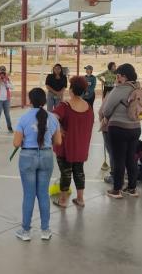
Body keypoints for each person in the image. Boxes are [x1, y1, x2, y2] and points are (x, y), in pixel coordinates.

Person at [13, 88, 61, 241]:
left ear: (30, 101)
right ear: (44, 101)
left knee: (29, 194)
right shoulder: (53, 118)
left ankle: (25, 231)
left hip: (27, 156)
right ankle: (45, 230)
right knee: (43, 194)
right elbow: (58, 141)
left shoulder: (24, 118)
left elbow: (16, 142)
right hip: (46, 155)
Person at [52, 76, 94, 207]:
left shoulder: (65, 105)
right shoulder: (88, 106)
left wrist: (60, 128)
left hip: (66, 146)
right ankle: (80, 198)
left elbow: (52, 118)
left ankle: (63, 200)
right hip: (81, 147)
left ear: (71, 90)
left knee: (65, 173)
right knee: (79, 171)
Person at [103, 63, 141, 199]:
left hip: (119, 128)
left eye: (118, 75)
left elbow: (106, 110)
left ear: (124, 76)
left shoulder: (119, 89)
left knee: (119, 159)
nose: (116, 78)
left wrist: (106, 117)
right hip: (135, 128)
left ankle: (116, 190)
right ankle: (132, 188)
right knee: (131, 158)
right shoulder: (138, 88)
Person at [0, 65, 14, 134]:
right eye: (1, 72)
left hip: (6, 100)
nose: (2, 74)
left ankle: (9, 127)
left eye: (3, 72)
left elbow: (12, 87)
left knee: (7, 114)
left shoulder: (7, 79)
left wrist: (6, 82)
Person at [99, 93, 114, 184]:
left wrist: (102, 122)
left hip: (110, 127)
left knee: (113, 153)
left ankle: (114, 175)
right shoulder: (135, 92)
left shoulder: (111, 95)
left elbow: (102, 112)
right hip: (131, 128)